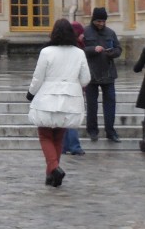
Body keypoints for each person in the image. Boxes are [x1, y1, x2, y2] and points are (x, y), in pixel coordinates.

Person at [27, 18, 91, 188]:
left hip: (47, 98)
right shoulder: (79, 53)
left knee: (45, 134)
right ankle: (51, 175)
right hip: (69, 100)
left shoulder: (47, 52)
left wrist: (31, 93)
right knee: (59, 136)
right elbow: (86, 79)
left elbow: (38, 77)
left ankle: (54, 168)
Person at [83, 7, 121, 142]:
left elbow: (118, 49)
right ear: (93, 20)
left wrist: (113, 53)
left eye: (103, 21)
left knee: (110, 103)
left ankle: (110, 131)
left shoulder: (111, 33)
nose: (101, 24)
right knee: (92, 104)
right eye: (98, 21)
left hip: (108, 73)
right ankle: (92, 130)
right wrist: (93, 49)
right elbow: (80, 49)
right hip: (91, 74)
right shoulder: (85, 32)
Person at [61, 22, 87, 157]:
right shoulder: (78, 51)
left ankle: (64, 146)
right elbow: (84, 74)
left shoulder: (59, 49)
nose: (84, 35)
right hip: (73, 87)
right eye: (81, 32)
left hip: (61, 87)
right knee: (72, 118)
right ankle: (74, 146)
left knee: (65, 118)